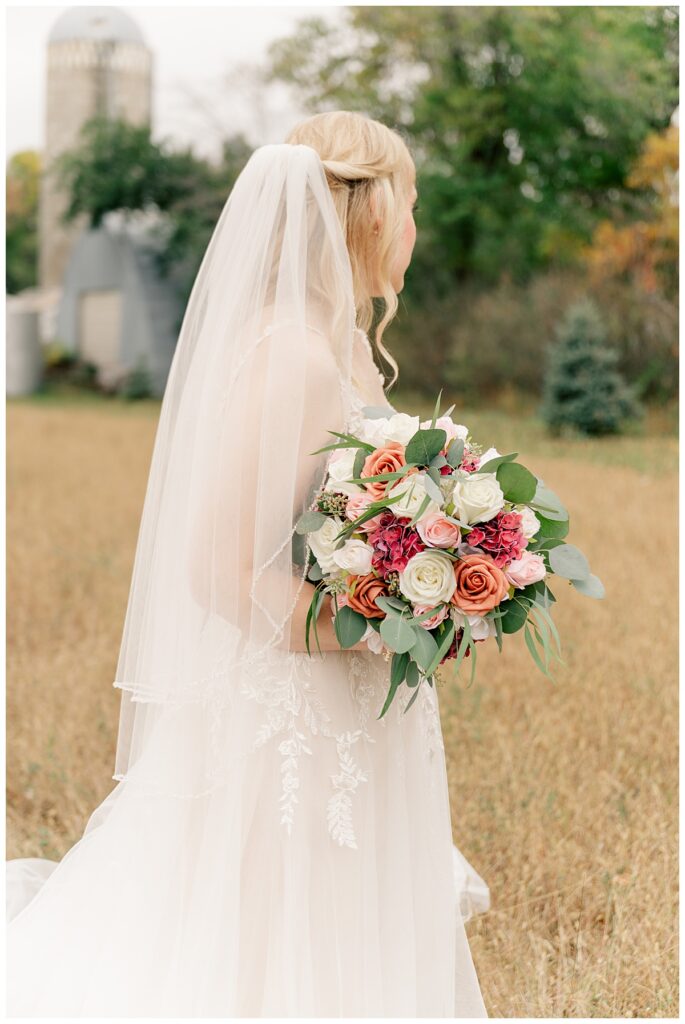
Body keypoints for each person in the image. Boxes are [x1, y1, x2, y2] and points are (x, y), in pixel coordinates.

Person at [6, 110, 490, 1016]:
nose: (416, 224)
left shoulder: (336, 344)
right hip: (294, 710)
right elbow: (216, 566)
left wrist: (430, 584)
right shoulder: (295, 358)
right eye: (413, 199)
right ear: (373, 210)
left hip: (349, 697)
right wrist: (370, 629)